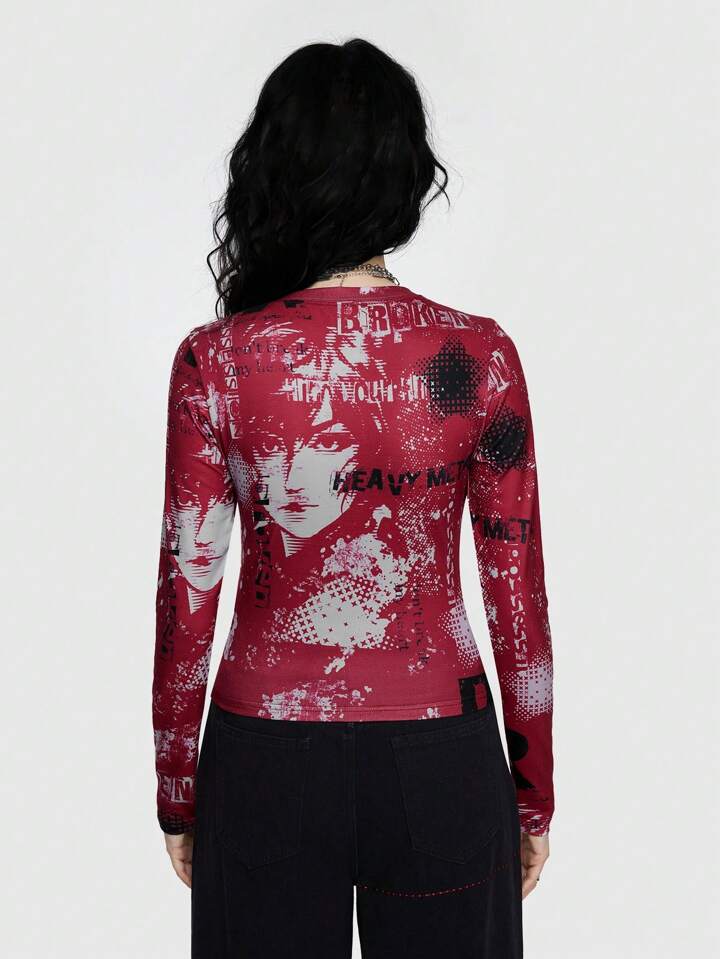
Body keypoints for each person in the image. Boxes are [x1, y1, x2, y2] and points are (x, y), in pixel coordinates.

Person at [152, 37, 554, 959]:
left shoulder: (217, 360)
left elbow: (188, 589)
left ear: (274, 171)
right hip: (442, 757)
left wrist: (178, 787)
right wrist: (531, 791)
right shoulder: (479, 355)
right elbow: (517, 598)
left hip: (263, 758)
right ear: (407, 177)